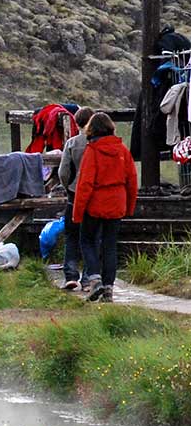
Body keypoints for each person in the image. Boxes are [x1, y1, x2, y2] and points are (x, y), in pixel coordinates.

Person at [72, 112, 138, 303]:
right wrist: (129, 207)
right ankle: (108, 288)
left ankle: (94, 279)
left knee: (87, 240)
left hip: (95, 204)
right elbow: (132, 181)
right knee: (110, 245)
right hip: (117, 203)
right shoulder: (122, 150)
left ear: (91, 129)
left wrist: (77, 213)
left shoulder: (92, 151)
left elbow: (85, 184)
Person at [55, 106, 96, 290]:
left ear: (76, 122)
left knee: (72, 234)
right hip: (95, 194)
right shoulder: (96, 142)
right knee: (93, 236)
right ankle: (89, 278)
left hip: (74, 193)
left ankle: (70, 275)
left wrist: (68, 186)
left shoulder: (72, 143)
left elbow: (63, 171)